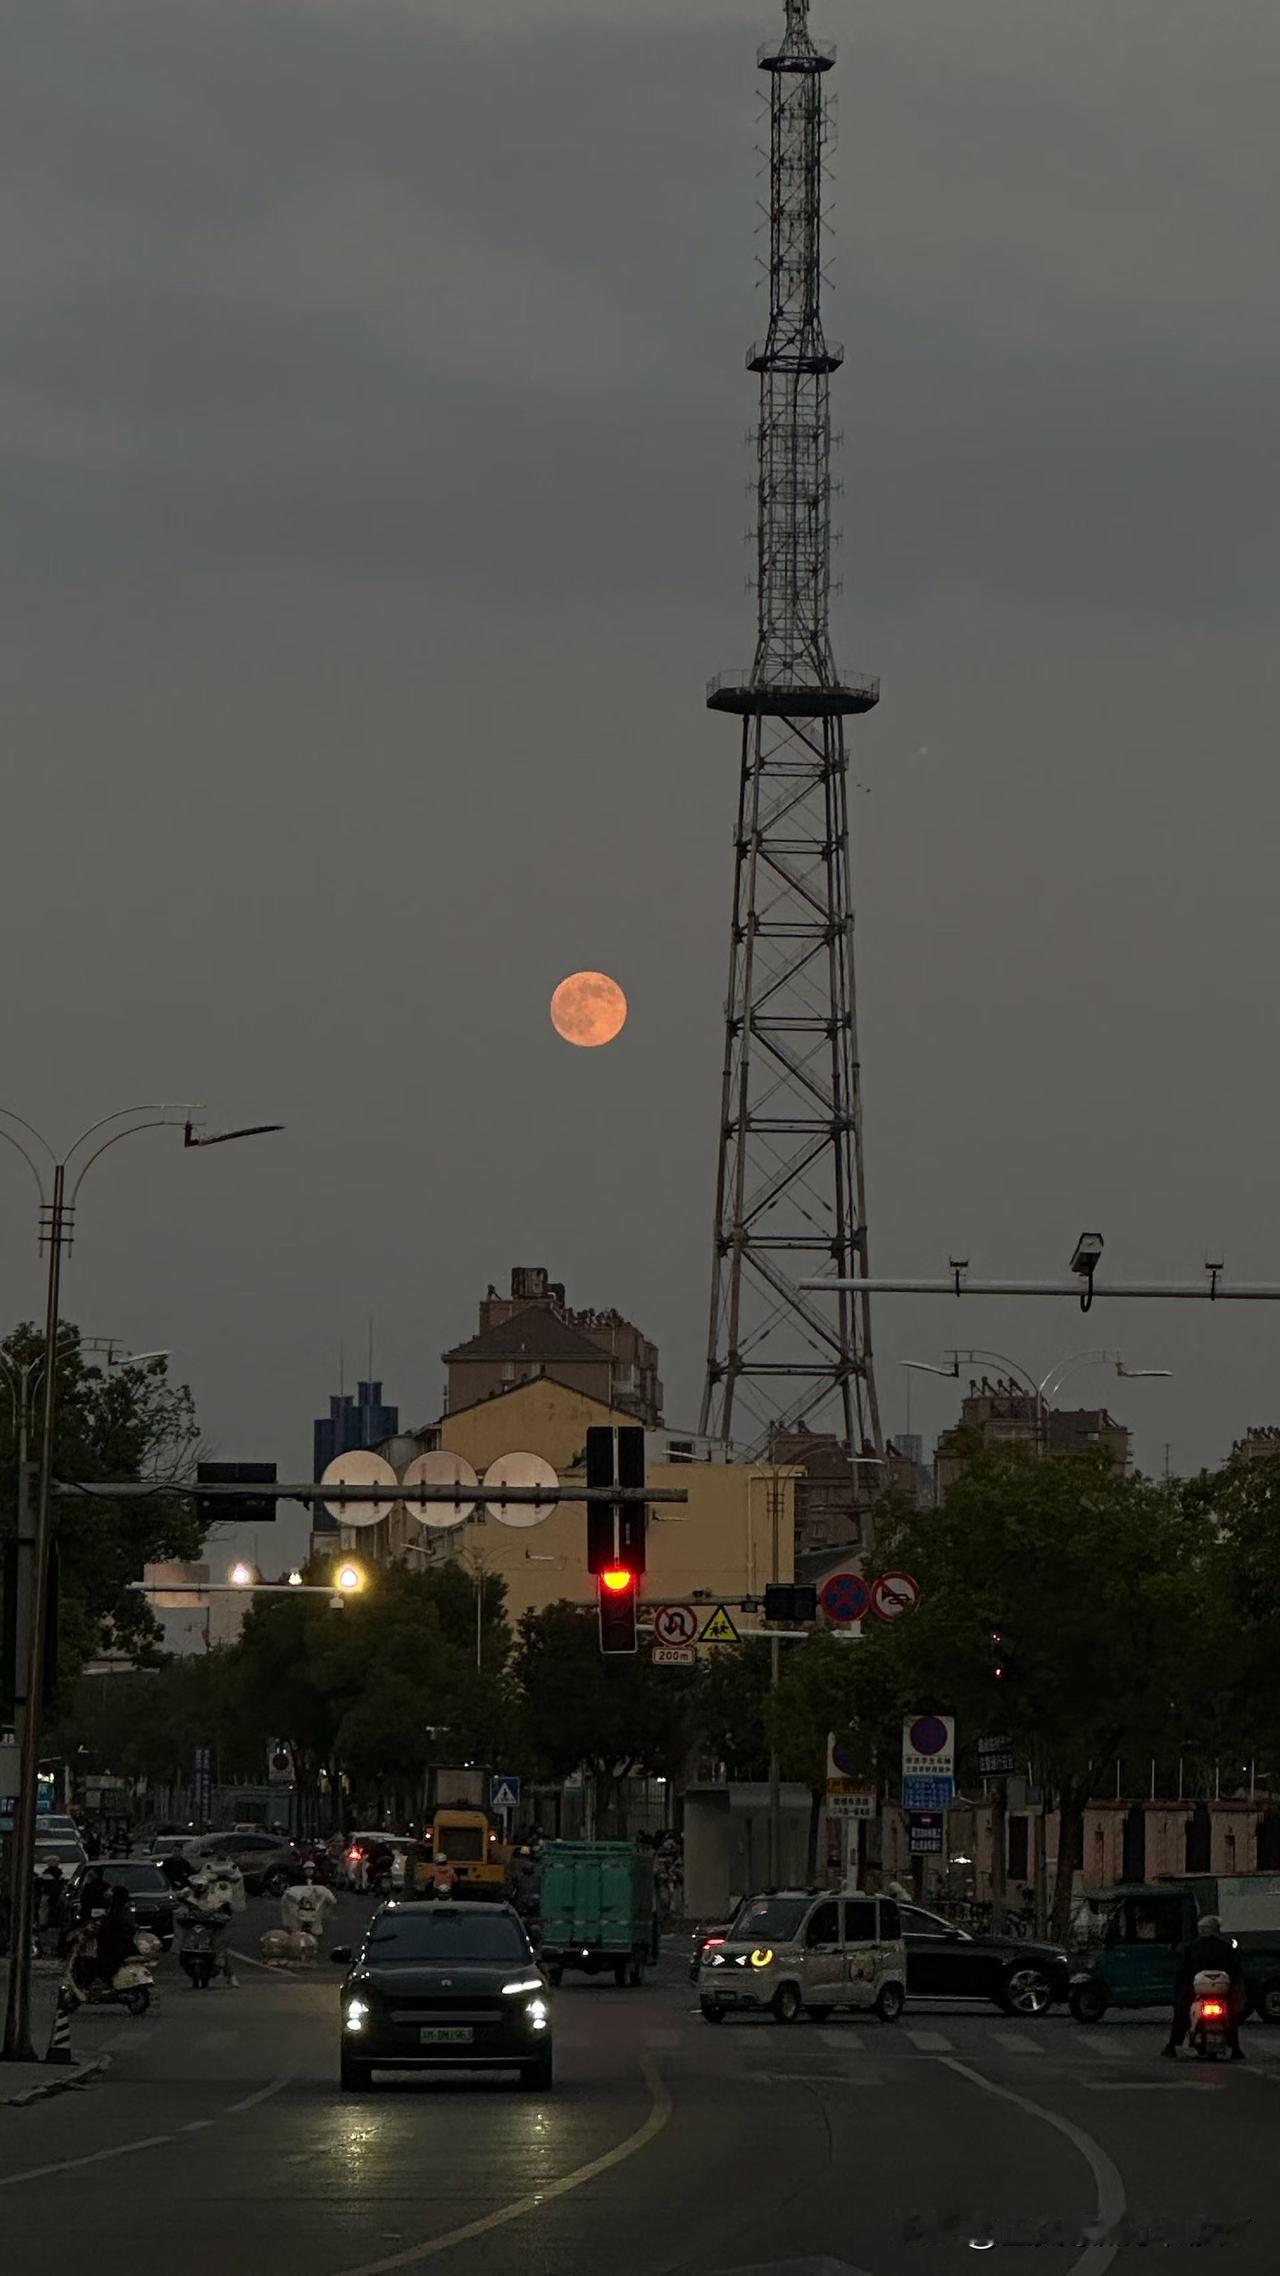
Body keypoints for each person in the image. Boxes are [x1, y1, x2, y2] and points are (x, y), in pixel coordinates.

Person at [1163, 1912, 1245, 2060]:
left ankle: (1173, 2045)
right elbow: (1236, 1970)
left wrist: (1179, 1987)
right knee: (1231, 2014)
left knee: (1182, 2013)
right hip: (1221, 1991)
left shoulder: (1192, 1948)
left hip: (1197, 1991)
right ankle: (1236, 2047)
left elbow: (1183, 1971)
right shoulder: (1225, 1948)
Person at [281, 1857, 337, 1941]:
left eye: (311, 1869)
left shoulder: (320, 1883)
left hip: (315, 1908)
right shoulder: (298, 1882)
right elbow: (289, 1894)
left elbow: (331, 1900)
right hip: (299, 1907)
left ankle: (313, 1931)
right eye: (307, 1869)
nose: (309, 1871)